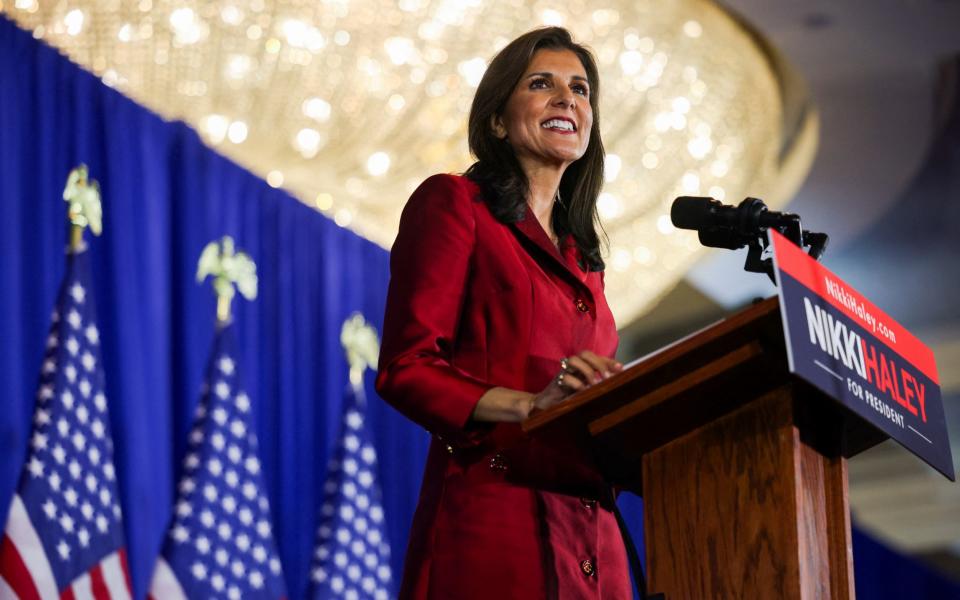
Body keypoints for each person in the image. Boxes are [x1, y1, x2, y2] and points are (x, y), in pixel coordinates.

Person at [376, 27, 631, 599]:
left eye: (581, 89)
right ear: (496, 120)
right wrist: (532, 406)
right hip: (496, 520)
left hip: (595, 544)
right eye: (542, 85)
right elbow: (407, 367)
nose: (568, 99)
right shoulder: (454, 204)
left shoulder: (585, 260)